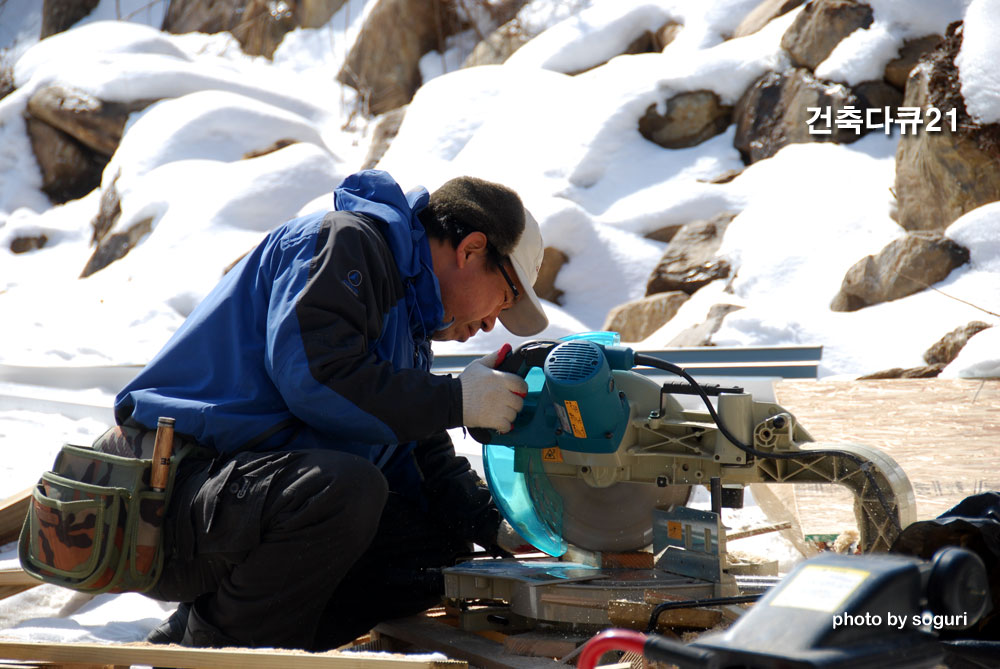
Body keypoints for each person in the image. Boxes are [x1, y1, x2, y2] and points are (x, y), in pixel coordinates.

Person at [103, 169, 548, 650]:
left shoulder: (407, 318)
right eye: (503, 300)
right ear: (472, 249)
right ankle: (218, 651)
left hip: (229, 501)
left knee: (431, 549)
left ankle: (221, 629)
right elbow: (316, 379)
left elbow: (410, 447)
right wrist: (455, 400)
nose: (490, 324)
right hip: (161, 494)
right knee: (345, 490)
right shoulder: (347, 244)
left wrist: (489, 523)